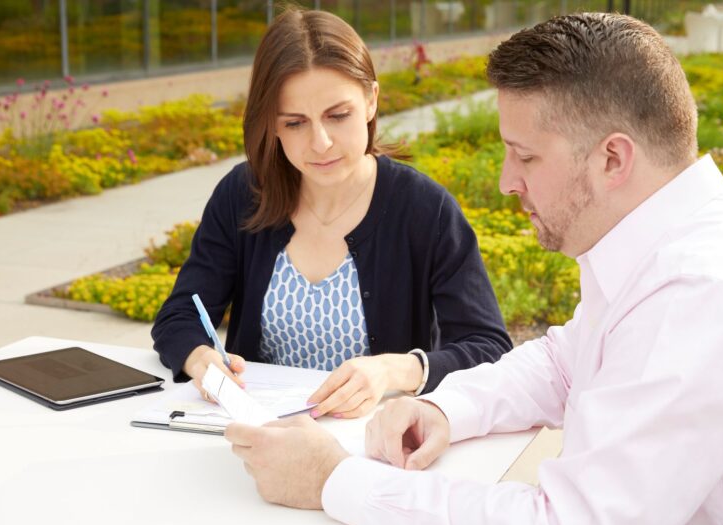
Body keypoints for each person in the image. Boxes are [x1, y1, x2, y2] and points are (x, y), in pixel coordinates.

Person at [224, 12, 723, 525]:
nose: (506, 180)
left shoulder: (705, 296)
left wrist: (334, 477)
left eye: (525, 155)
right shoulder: (684, 242)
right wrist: (445, 408)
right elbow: (567, 359)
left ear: (612, 158)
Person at [151, 8, 511, 418]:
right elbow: (179, 316)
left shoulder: (425, 210)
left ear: (371, 100)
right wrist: (200, 359)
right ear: (271, 124)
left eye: (338, 116)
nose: (320, 142)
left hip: (375, 450)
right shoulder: (243, 193)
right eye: (295, 123)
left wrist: (394, 370)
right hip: (260, 439)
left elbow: (489, 348)